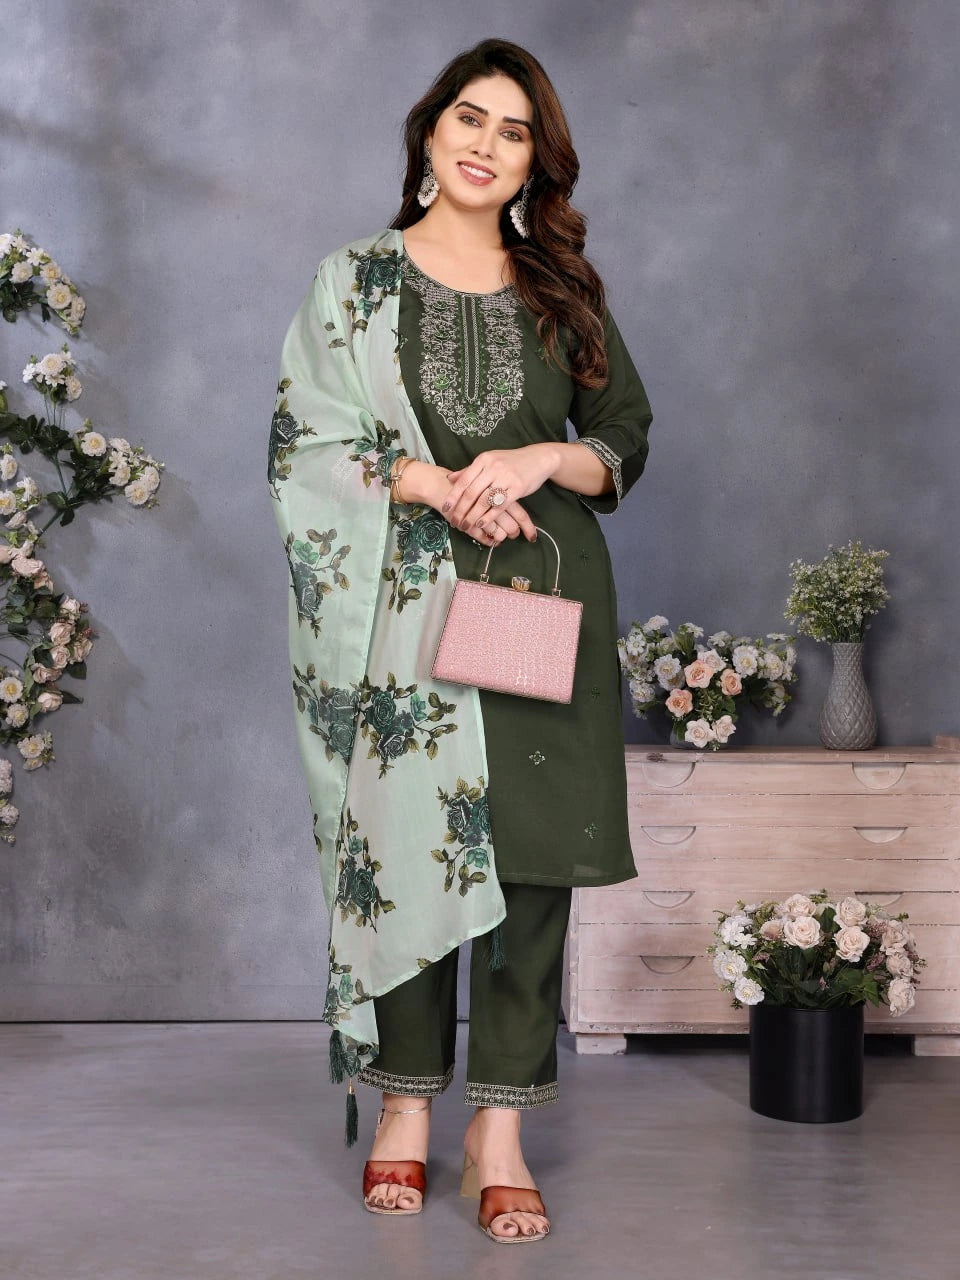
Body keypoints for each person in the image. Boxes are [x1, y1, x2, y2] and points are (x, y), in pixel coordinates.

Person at [268, 37, 652, 1244]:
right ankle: (404, 1102)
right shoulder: (356, 283)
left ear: (537, 160)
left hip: (535, 598)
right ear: (430, 132)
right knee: (410, 846)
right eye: (470, 119)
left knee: (528, 865)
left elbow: (623, 438)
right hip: (407, 613)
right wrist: (435, 484)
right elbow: (306, 444)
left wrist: (540, 457)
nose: (488, 144)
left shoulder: (562, 291)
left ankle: (501, 1126)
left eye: (515, 130)